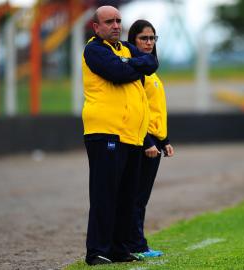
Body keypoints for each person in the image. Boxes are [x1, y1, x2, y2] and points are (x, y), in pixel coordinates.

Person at [82, 6, 159, 266]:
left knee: (126, 196)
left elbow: (152, 62)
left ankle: (119, 248)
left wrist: (128, 64)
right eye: (109, 21)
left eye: (118, 20)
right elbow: (117, 73)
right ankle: (97, 252)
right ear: (97, 27)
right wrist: (130, 67)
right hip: (105, 133)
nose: (115, 25)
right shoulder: (94, 49)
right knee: (105, 194)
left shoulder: (125, 49)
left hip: (131, 136)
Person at [126, 19, 175, 257]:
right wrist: (148, 142)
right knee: (136, 197)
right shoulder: (137, 71)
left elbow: (155, 110)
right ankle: (136, 245)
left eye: (152, 38)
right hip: (143, 143)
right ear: (133, 40)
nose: (149, 42)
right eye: (143, 38)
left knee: (140, 198)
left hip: (155, 142)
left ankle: (136, 244)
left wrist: (164, 140)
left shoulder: (150, 72)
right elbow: (136, 110)